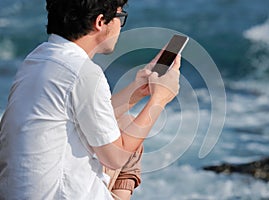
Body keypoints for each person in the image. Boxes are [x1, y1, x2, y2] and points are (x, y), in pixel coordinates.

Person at [0, 0, 181, 199]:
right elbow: (116, 157)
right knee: (131, 145)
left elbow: (84, 116)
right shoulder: (83, 72)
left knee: (121, 127)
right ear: (100, 21)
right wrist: (159, 100)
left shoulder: (38, 58)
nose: (120, 25)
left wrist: (137, 90)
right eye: (120, 18)